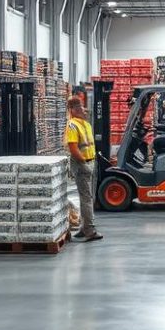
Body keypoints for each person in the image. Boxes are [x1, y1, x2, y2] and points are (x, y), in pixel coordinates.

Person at [64, 97, 103, 242]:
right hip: (82, 164)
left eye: (82, 107)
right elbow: (73, 148)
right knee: (87, 198)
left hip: (89, 163)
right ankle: (90, 231)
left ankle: (83, 227)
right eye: (78, 108)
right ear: (72, 110)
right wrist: (83, 163)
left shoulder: (85, 124)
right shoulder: (73, 125)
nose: (82, 110)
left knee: (86, 197)